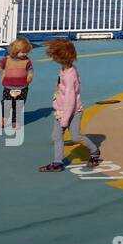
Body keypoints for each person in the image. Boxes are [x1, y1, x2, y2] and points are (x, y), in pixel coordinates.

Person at [38, 39, 102, 171]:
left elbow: (70, 99)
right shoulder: (66, 69)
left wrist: (64, 119)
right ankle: (57, 162)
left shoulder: (69, 75)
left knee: (76, 136)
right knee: (57, 136)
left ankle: (94, 151)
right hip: (61, 110)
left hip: (72, 112)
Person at [0, 37, 34, 131]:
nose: (25, 54)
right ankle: (4, 117)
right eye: (23, 52)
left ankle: (15, 121)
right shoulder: (7, 59)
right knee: (6, 103)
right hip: (8, 87)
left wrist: (30, 76)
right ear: (15, 50)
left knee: (18, 105)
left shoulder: (27, 61)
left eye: (26, 52)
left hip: (23, 87)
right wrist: (3, 74)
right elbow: (0, 66)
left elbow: (30, 70)